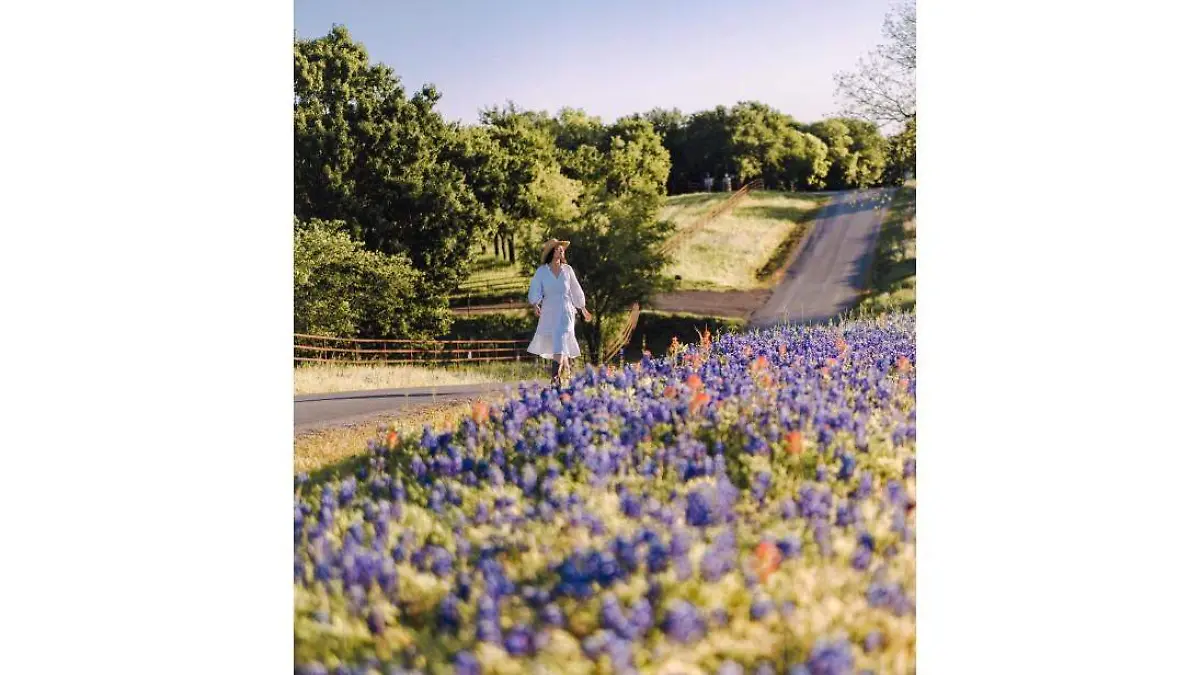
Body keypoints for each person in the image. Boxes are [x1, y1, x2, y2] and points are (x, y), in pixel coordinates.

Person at [527, 238, 593, 386]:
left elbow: (575, 290)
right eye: (558, 248)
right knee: (559, 345)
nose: (561, 250)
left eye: (562, 249)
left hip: (565, 310)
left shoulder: (567, 270)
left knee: (561, 340)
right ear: (552, 252)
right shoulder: (542, 271)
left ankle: (555, 379)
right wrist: (535, 304)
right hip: (549, 311)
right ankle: (565, 375)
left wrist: (582, 308)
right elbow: (536, 289)